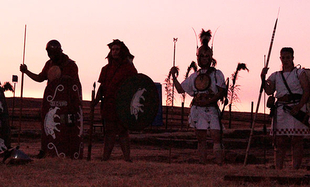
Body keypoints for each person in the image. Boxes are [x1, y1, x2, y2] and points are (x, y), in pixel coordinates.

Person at [20, 40, 82, 158]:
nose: (51, 55)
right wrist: (26, 71)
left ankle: (68, 151)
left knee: (66, 126)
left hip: (67, 102)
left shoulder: (71, 65)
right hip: (52, 102)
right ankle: (46, 150)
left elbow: (74, 85)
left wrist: (61, 78)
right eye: (49, 53)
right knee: (47, 125)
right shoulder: (49, 64)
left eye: (53, 52)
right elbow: (40, 78)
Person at [169, 44, 226, 165]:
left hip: (211, 109)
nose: (204, 58)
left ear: (211, 58)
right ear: (198, 58)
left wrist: (209, 101)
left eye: (207, 56)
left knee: (216, 137)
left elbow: (221, 91)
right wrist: (174, 77)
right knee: (201, 139)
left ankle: (219, 163)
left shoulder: (217, 74)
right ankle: (202, 163)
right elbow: (181, 89)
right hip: (198, 109)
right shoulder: (194, 76)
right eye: (202, 56)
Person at [261, 47, 310, 169]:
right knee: (279, 141)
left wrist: (299, 107)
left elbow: (307, 91)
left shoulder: (299, 73)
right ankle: (278, 168)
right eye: (283, 58)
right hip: (281, 109)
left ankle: (295, 169)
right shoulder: (275, 75)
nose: (285, 60)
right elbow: (269, 91)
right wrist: (262, 77)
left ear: (292, 58)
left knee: (297, 140)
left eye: (288, 57)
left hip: (296, 108)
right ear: (280, 58)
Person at [93, 39, 137, 162]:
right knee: (109, 132)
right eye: (113, 49)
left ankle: (127, 158)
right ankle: (105, 158)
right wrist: (96, 101)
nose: (114, 52)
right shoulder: (106, 69)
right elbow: (102, 87)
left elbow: (135, 84)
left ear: (121, 51)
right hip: (108, 105)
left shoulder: (128, 68)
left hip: (122, 105)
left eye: (117, 49)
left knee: (123, 131)